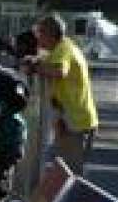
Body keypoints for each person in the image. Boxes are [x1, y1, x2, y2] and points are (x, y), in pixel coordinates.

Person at [29, 14, 99, 176]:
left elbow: (59, 71)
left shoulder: (63, 48)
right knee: (64, 172)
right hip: (71, 121)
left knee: (71, 175)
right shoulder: (63, 48)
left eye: (39, 34)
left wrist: (34, 68)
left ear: (49, 35)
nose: (38, 40)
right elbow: (50, 63)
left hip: (75, 122)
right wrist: (37, 62)